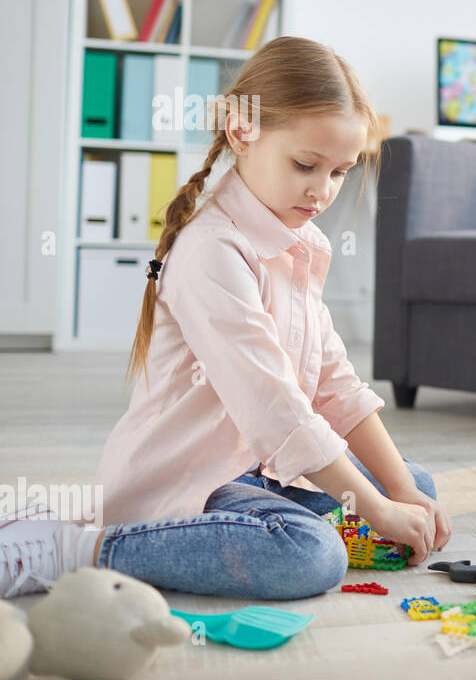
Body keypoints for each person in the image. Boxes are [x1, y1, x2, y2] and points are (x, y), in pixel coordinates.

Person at [1, 36, 451, 600]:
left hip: (258, 471)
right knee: (309, 556)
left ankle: (274, 524)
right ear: (242, 131)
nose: (323, 191)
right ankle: (71, 547)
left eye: (341, 172)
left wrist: (398, 493)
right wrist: (377, 510)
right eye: (306, 165)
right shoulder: (212, 250)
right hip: (193, 481)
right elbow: (277, 410)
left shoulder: (298, 240)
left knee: (416, 485)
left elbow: (335, 386)